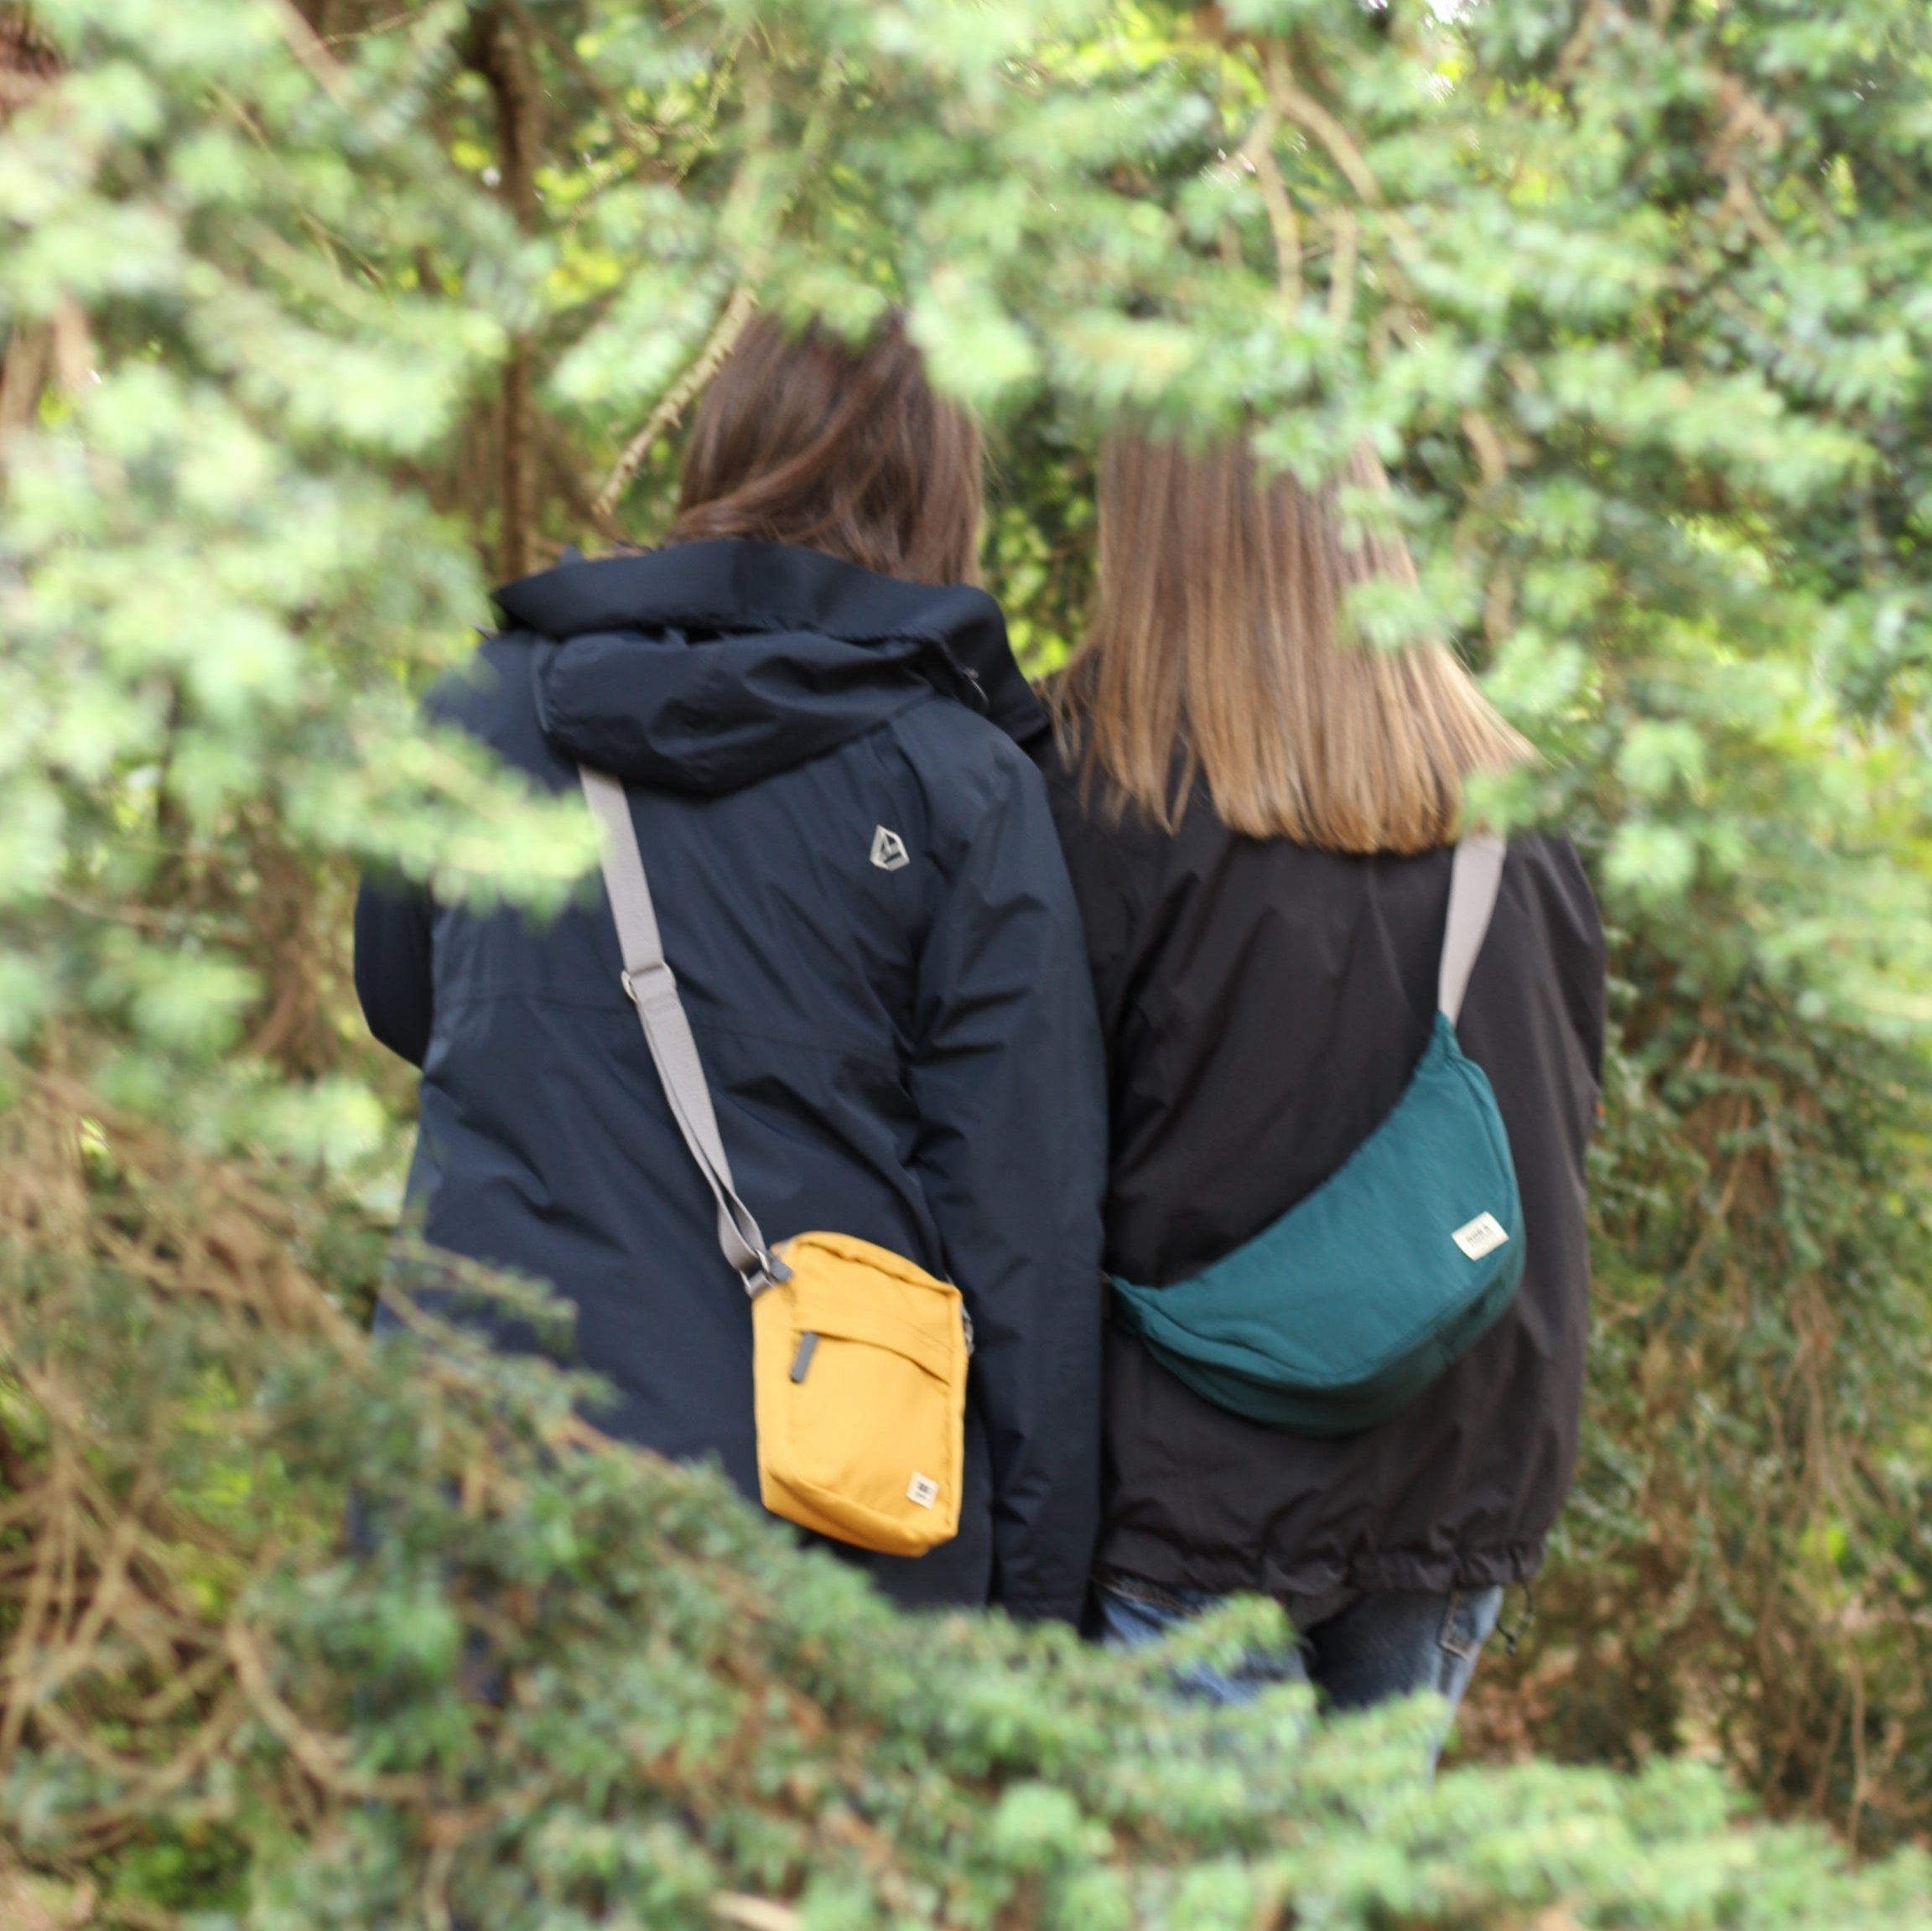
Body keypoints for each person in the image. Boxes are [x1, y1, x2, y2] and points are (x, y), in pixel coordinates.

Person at [355, 314, 1107, 1625]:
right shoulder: (959, 783)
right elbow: (1025, 1222)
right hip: (823, 1513)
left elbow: (403, 1001)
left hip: (481, 1465)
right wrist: (1037, 1628)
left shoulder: (480, 714)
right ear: (938, 494)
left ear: (720, 448)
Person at [1040, 433, 1604, 1724]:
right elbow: (1557, 1147)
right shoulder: (1523, 823)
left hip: (1190, 1499)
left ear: (1146, 532)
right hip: (1459, 1471)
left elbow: (1027, 1173)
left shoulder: (1094, 799)